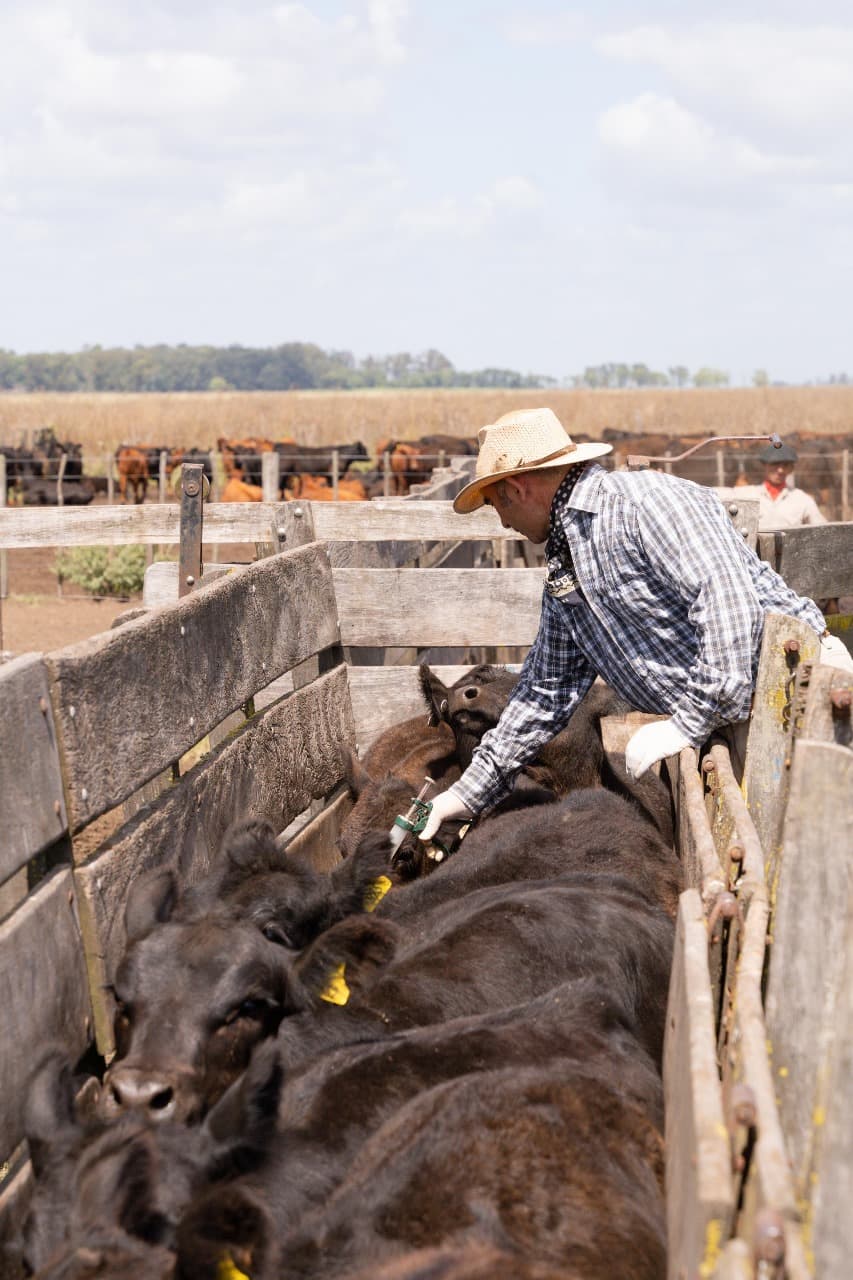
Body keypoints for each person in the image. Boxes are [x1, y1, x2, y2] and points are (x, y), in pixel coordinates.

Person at [419, 408, 853, 842]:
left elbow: (726, 604)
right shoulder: (566, 561)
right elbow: (545, 692)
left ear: (517, 487)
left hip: (794, 693)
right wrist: (464, 795)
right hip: (741, 715)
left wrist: (689, 722)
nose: (503, 521)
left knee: (824, 849)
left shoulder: (644, 504)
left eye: (497, 503)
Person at [729, 442, 827, 531]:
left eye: (785, 465)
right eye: (775, 464)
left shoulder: (802, 499)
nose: (780, 470)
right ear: (765, 465)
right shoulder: (747, 494)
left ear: (791, 469)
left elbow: (824, 530)